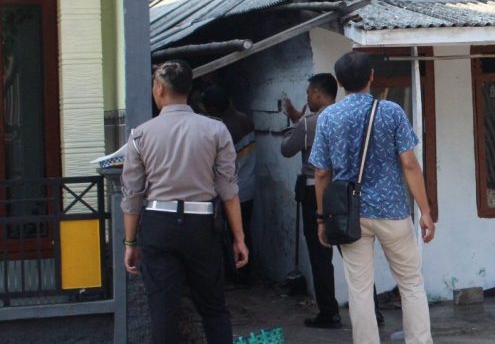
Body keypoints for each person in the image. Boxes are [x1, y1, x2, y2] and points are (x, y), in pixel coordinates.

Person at [120, 60, 249, 344]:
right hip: (201, 226)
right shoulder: (216, 131)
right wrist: (239, 237)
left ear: (159, 89)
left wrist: (130, 243)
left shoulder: (140, 134)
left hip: (158, 225)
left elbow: (132, 195)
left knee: (163, 313)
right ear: (189, 90)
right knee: (214, 309)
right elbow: (228, 189)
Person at [311, 52, 435, 344]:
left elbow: (320, 173)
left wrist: (321, 217)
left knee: (360, 289)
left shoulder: (328, 116)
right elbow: (409, 163)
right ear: (372, 76)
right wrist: (425, 211)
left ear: (339, 82)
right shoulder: (391, 111)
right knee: (411, 283)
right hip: (392, 211)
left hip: (349, 215)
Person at [281, 73, 361, 329]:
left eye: (308, 93)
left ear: (317, 93)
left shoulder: (311, 123)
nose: (307, 98)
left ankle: (329, 312)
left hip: (316, 192)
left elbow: (286, 148)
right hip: (347, 192)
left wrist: (297, 121)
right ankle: (373, 310)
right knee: (354, 254)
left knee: (320, 255)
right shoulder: (349, 118)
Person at [202, 85, 257, 284]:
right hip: (249, 186)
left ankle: (235, 275)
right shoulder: (243, 119)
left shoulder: (222, 129)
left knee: (227, 235)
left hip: (231, 190)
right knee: (244, 233)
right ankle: (245, 274)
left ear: (213, 109)